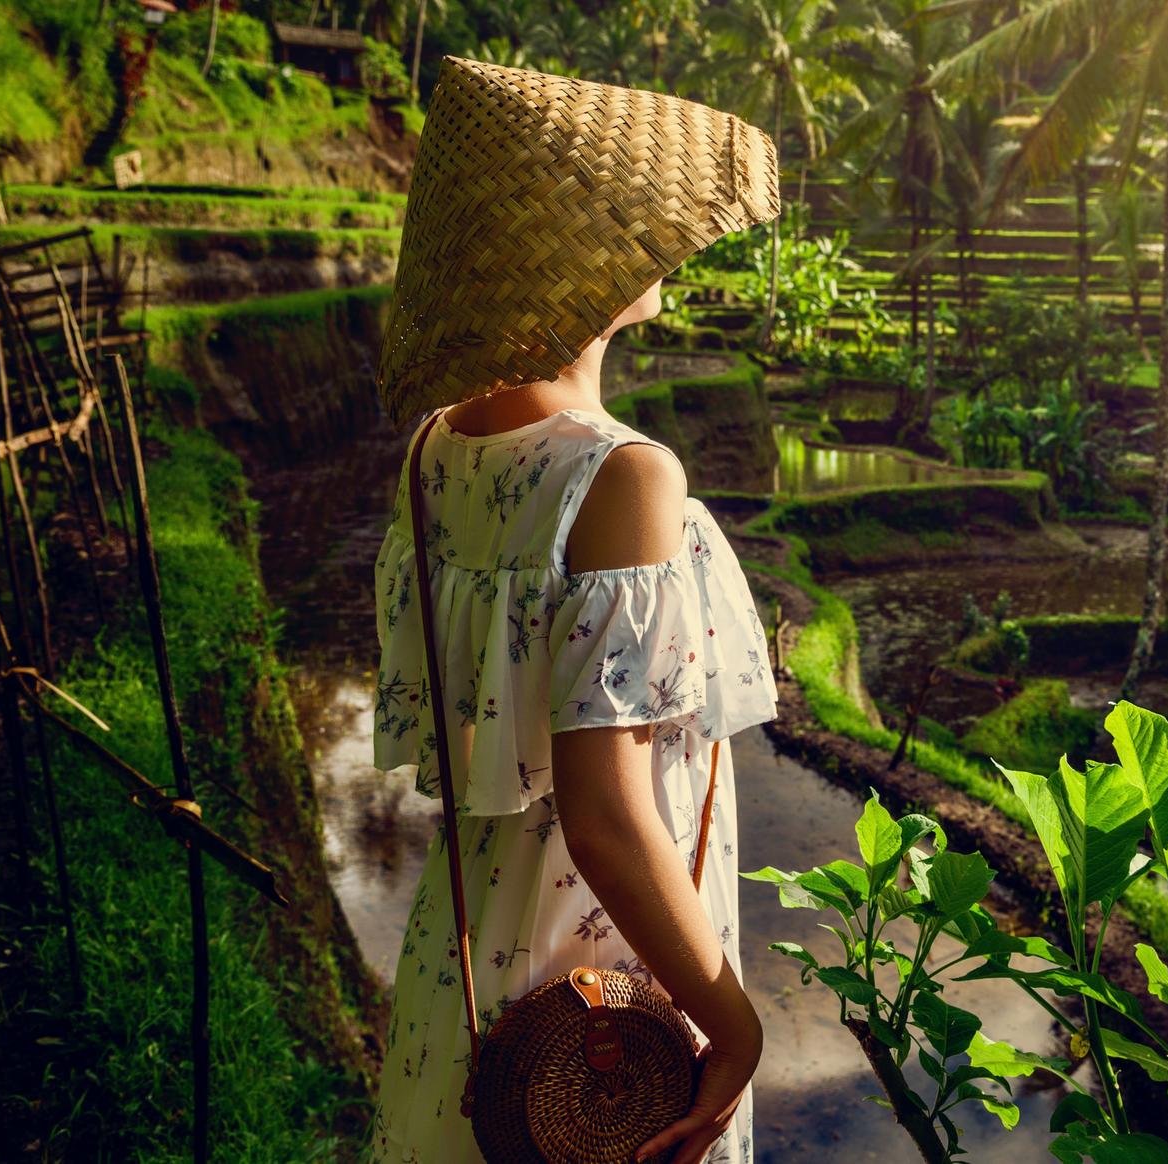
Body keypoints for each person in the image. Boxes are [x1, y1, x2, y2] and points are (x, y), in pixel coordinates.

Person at [364, 57, 782, 1163]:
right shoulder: (622, 477)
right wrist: (733, 1022)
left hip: (476, 961)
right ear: (579, 257)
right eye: (622, 217)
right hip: (611, 991)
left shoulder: (437, 446)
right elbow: (604, 812)